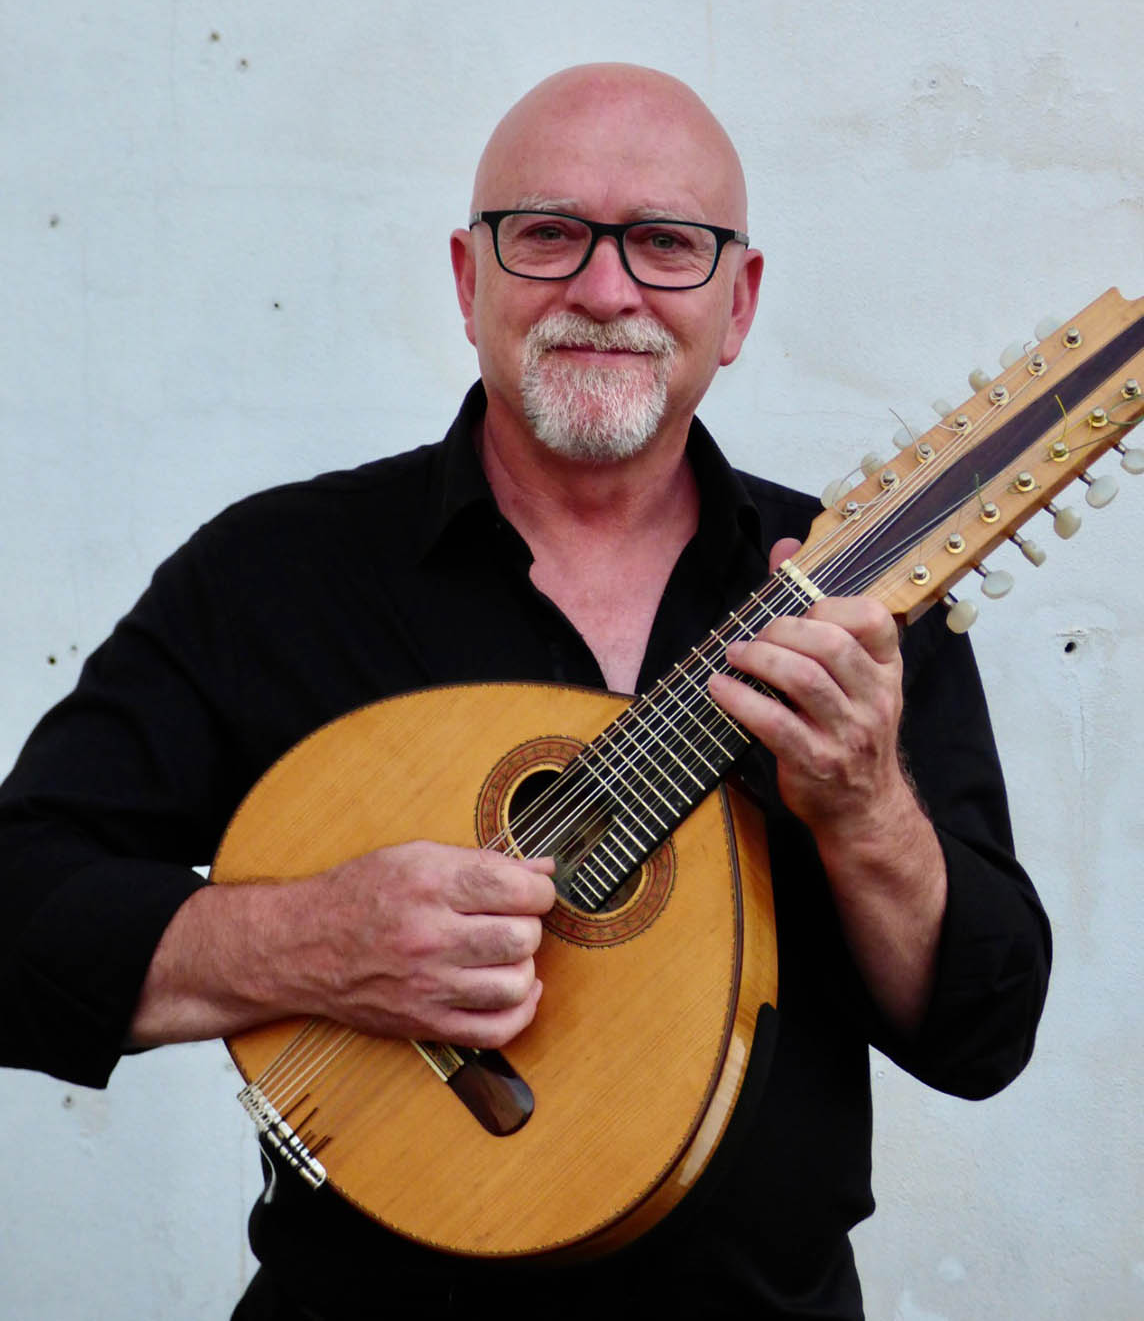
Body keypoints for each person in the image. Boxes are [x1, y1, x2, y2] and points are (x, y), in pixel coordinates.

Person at [0, 64, 1050, 1319]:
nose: (604, 290)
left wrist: (867, 810)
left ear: (738, 301)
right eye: (547, 233)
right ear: (468, 280)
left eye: (666, 243)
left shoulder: (847, 610)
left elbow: (983, 1033)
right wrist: (307, 942)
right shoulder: (273, 574)